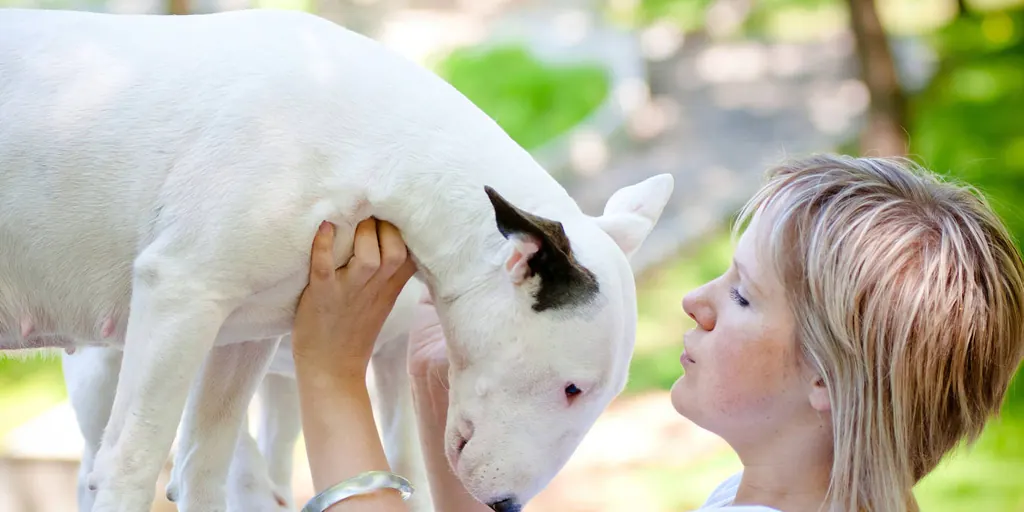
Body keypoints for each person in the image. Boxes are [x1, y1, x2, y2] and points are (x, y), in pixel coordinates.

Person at [289, 153, 1024, 512]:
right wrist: (437, 390)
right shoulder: (752, 496)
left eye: (741, 294)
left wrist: (329, 378)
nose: (695, 301)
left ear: (827, 380)